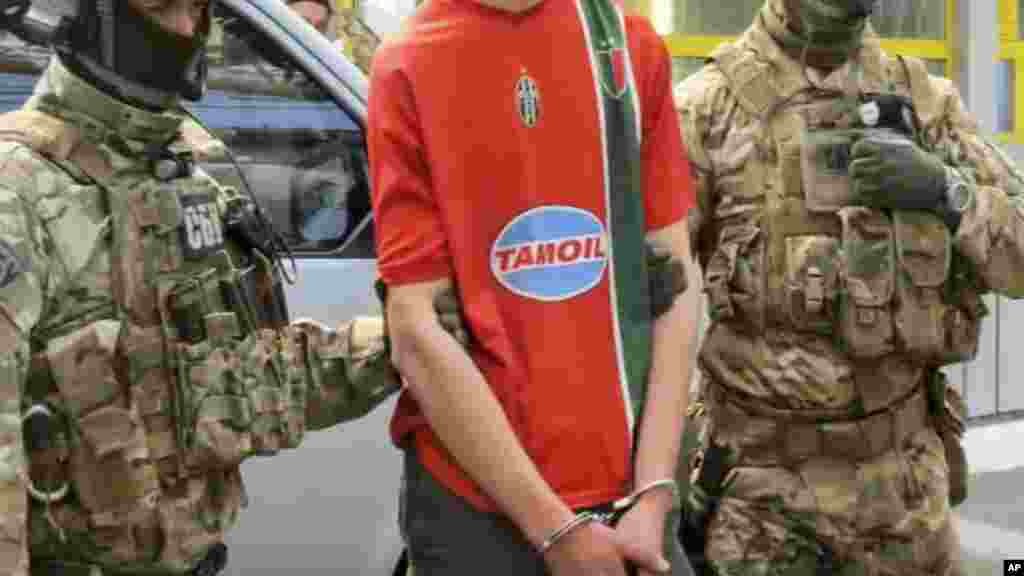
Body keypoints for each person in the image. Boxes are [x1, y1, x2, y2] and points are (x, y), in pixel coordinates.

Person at [0, 0, 465, 573]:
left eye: (195, 9)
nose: (184, 30)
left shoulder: (183, 169)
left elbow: (244, 382)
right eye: (161, 7)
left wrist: (403, 342)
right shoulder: (17, 193)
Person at [674, 0, 1024, 574]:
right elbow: (642, 311)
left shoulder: (922, 102)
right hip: (758, 506)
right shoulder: (707, 110)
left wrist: (945, 191)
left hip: (905, 501)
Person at [367, 0, 703, 574]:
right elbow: (416, 332)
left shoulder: (625, 47)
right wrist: (557, 531)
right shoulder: (408, 64)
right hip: (477, 507)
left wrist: (652, 495)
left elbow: (675, 283)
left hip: (633, 507)